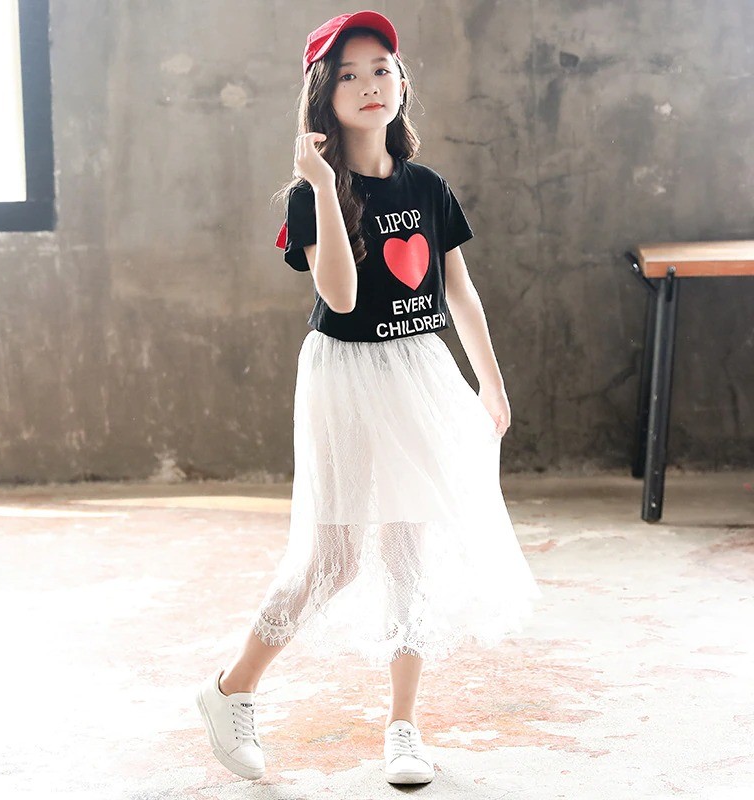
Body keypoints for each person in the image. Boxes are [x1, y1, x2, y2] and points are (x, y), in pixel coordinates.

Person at [196, 9, 543, 786]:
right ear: (323, 95)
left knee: (409, 546)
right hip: (345, 375)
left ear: (401, 83)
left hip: (420, 369)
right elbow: (344, 299)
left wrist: (489, 380)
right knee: (336, 556)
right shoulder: (308, 196)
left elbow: (459, 291)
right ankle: (231, 688)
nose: (369, 85)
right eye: (349, 74)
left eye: (381, 68)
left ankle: (403, 726)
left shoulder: (428, 187)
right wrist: (325, 187)